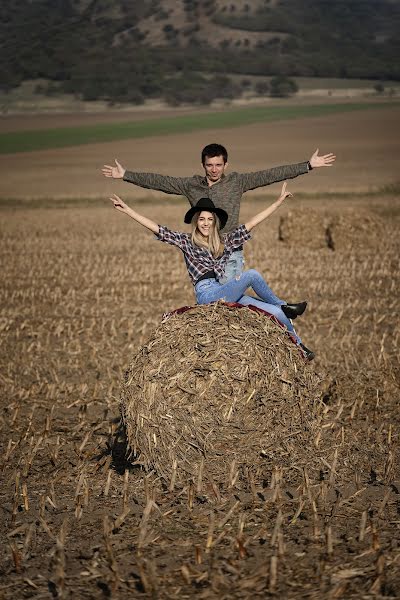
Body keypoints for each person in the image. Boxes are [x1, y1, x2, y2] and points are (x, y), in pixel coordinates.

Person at [108, 181, 315, 361]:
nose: (205, 223)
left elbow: (251, 223)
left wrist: (277, 203)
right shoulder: (187, 242)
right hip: (208, 295)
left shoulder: (223, 243)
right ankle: (285, 305)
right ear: (196, 221)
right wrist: (128, 210)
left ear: (214, 222)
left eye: (209, 219)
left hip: (223, 291)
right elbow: (157, 228)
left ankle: (299, 346)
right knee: (251, 275)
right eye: (201, 219)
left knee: (275, 314)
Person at [102, 143, 335, 283]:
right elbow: (159, 181)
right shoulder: (190, 185)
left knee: (229, 302)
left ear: (226, 165)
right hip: (202, 251)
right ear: (203, 165)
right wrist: (126, 175)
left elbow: (271, 174)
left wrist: (307, 165)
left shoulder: (237, 182)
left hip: (230, 249)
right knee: (210, 305)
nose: (214, 169)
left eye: (218, 165)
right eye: (209, 165)